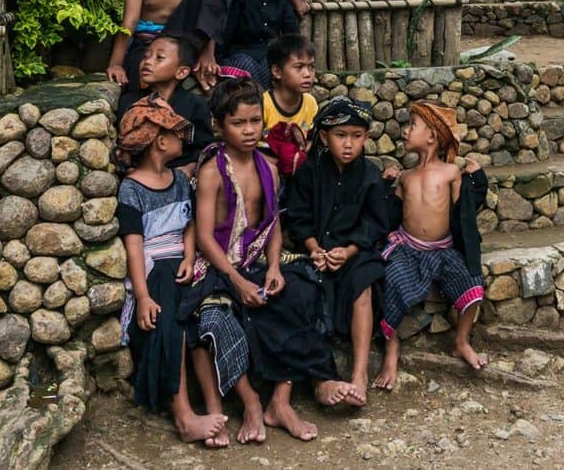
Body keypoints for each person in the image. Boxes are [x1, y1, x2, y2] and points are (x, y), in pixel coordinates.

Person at [184, 77, 356, 443]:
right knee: (216, 318)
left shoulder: (269, 167)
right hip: (218, 267)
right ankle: (250, 402)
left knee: (303, 289)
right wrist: (237, 282)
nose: (249, 131)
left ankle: (281, 401)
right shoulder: (212, 171)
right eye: (238, 123)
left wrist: (275, 267)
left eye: (254, 121)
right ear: (219, 125)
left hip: (254, 261)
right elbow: (204, 238)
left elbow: (273, 224)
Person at [115, 97, 234, 448]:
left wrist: (190, 255)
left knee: (201, 318)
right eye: (176, 133)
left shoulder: (180, 181)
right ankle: (183, 416)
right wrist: (142, 296)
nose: (183, 139)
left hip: (181, 262)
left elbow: (189, 224)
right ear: (159, 141)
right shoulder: (131, 189)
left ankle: (215, 409)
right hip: (153, 268)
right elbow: (134, 245)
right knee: (171, 324)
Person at [374, 102, 488, 391]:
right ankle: (391, 349)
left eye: (412, 125)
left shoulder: (451, 173)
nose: (405, 130)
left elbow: (468, 206)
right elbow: (388, 214)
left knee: (473, 283)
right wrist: (384, 184)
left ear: (432, 136)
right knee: (389, 281)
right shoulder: (405, 177)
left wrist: (477, 177)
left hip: (443, 249)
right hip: (408, 248)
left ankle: (461, 341)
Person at [283, 97, 389, 404]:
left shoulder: (370, 175)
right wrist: (314, 248)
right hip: (315, 253)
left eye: (356, 136)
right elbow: (298, 218)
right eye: (341, 135)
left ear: (366, 137)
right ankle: (321, 377)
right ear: (325, 136)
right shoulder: (309, 173)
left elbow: (374, 223)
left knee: (363, 284)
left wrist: (349, 250)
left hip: (354, 253)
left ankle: (359, 374)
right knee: (305, 289)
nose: (348, 144)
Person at [195, 0, 302, 90]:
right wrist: (216, 63)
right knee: (246, 65)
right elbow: (225, 34)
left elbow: (292, 33)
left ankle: (269, 101)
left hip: (268, 56)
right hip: (240, 56)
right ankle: (256, 100)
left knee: (274, 65)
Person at [116, 34, 213, 176]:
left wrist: (190, 169)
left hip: (180, 175)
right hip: (138, 176)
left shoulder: (195, 104)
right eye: (145, 56)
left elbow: (205, 148)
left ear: (181, 72)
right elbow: (120, 146)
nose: (147, 61)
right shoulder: (128, 102)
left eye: (159, 57)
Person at [262, 33, 318, 178]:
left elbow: (310, 141)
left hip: (299, 171)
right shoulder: (263, 105)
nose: (307, 74)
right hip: (267, 171)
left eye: (311, 67)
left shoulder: (310, 103)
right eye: (299, 67)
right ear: (277, 71)